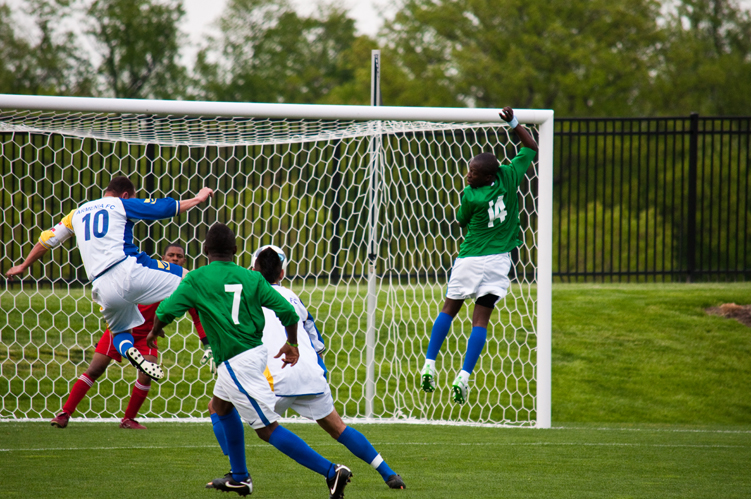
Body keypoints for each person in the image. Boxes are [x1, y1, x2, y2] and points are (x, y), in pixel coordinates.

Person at [146, 223, 352, 499]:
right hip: (253, 355)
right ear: (235, 250)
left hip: (235, 361)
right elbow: (287, 312)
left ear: (205, 250)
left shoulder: (196, 279)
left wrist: (155, 330)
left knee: (267, 429)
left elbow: (166, 310)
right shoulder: (251, 278)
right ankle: (240, 477)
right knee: (219, 406)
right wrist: (292, 344)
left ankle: (331, 471)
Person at [208, 245, 405, 490]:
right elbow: (316, 340)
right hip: (310, 372)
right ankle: (389, 474)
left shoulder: (247, 293)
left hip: (276, 375)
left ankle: (237, 474)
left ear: (252, 269)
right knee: (337, 427)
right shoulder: (292, 296)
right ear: (281, 274)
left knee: (223, 410)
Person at [5, 176, 214, 382]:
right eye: (132, 197)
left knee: (121, 332)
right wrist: (198, 198)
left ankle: (130, 352)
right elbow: (163, 208)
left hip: (101, 288)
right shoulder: (120, 204)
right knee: (191, 279)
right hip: (128, 269)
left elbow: (46, 240)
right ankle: (215, 340)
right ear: (125, 195)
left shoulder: (76, 214)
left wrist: (24, 265)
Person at [420, 107, 539, 404]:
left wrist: (468, 196)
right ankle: (464, 375)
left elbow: (461, 219)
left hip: (470, 258)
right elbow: (530, 147)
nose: (468, 174)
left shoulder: (470, 194)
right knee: (480, 321)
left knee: (448, 309)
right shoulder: (510, 176)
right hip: (498, 261)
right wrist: (513, 123)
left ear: (486, 175)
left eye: (473, 172)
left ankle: (429, 363)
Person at [48, 243, 207, 430]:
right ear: (162, 259)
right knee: (95, 368)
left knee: (148, 373)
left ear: (184, 261)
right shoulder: (148, 273)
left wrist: (207, 343)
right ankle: (65, 413)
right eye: (170, 255)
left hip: (146, 335)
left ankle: (128, 419)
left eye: (179, 256)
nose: (174, 258)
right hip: (121, 329)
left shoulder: (181, 284)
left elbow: (196, 316)